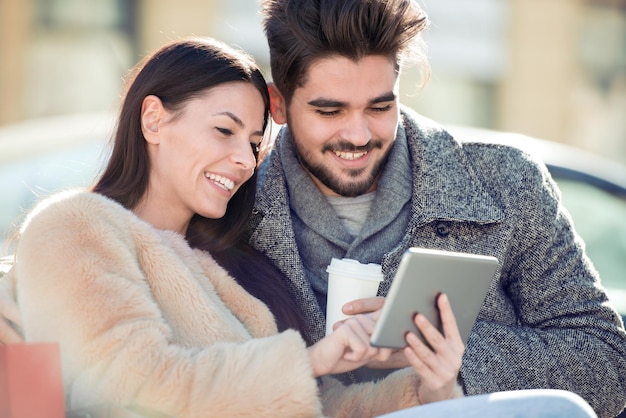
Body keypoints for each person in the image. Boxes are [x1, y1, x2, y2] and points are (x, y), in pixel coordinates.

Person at [1, 37, 465, 417]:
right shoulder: (73, 226)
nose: (245, 160)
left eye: (255, 142)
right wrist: (307, 362)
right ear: (153, 120)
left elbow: (312, 407)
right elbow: (125, 389)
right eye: (225, 131)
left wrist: (428, 386)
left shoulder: (226, 273)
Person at [245, 0, 626, 417]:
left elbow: (607, 365)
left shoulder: (506, 182)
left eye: (379, 107)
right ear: (277, 104)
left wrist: (444, 350)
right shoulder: (232, 207)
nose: (358, 134)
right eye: (329, 111)